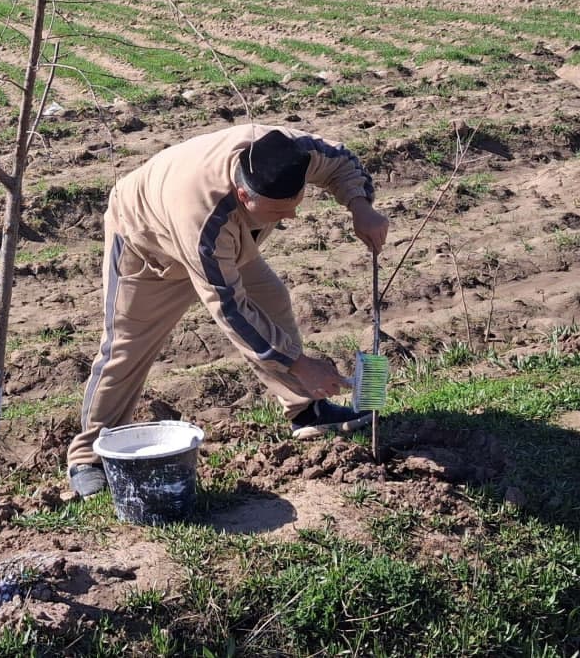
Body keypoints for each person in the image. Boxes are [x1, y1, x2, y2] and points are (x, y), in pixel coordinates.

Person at [67, 123, 389, 498]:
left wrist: (360, 206)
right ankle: (88, 454)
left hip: (230, 238)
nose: (289, 220)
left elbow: (342, 163)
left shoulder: (291, 152)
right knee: (125, 347)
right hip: (147, 240)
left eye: (292, 208)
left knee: (272, 300)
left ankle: (306, 409)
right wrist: (300, 363)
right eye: (277, 213)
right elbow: (232, 310)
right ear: (242, 193)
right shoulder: (202, 217)